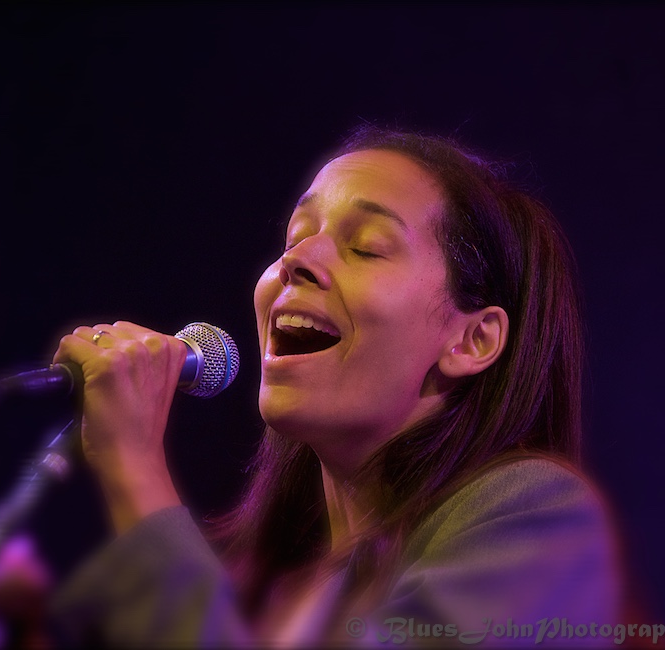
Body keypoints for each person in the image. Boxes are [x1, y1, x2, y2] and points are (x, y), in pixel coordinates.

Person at [31, 125, 621, 647]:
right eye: (295, 238)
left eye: (366, 246)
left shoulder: (534, 518)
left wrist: (134, 465)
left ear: (472, 341)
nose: (297, 260)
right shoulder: (272, 580)